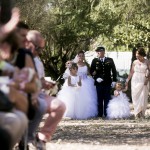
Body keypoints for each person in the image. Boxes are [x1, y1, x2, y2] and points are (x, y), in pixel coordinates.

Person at [26, 30, 66, 145]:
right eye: (38, 49)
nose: (40, 53)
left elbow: (41, 79)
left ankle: (42, 138)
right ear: (28, 43)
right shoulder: (18, 56)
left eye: (42, 50)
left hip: (39, 93)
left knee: (60, 106)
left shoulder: (38, 61)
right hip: (23, 93)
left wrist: (47, 84)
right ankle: (26, 138)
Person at [90, 46, 117, 118]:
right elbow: (91, 71)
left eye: (100, 51)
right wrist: (96, 78)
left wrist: (114, 80)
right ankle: (100, 114)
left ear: (103, 52)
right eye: (97, 52)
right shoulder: (95, 61)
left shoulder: (110, 60)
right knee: (99, 99)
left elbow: (114, 71)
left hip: (107, 82)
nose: (98, 53)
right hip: (99, 83)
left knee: (107, 99)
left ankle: (106, 113)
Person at [126, 47, 150, 118]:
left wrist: (147, 79)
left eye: (139, 56)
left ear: (142, 55)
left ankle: (142, 113)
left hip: (143, 80)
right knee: (135, 96)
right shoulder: (135, 62)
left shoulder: (147, 61)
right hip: (135, 80)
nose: (138, 58)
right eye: (136, 56)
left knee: (143, 96)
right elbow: (131, 72)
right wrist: (127, 80)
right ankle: (136, 113)